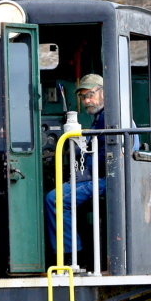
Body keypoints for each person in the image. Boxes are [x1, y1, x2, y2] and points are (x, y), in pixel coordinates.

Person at [43, 74, 110, 257]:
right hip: (98, 175)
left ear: (104, 93)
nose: (87, 100)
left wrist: (87, 174)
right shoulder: (100, 117)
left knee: (54, 199)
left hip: (107, 179)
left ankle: (71, 256)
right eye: (84, 97)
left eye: (91, 95)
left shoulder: (110, 118)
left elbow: (110, 158)